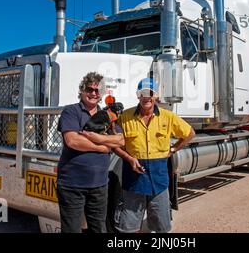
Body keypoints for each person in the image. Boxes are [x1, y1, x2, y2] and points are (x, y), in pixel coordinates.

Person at [114, 78, 195, 233]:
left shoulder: (168, 117)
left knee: (162, 227)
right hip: (133, 179)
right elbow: (115, 145)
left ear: (156, 96)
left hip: (159, 180)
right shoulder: (125, 116)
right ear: (138, 96)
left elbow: (190, 133)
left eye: (150, 93)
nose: (146, 97)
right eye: (142, 93)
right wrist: (129, 158)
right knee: (128, 228)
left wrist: (173, 149)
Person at [57, 72, 124, 233]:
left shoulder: (108, 115)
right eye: (89, 89)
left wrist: (96, 138)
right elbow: (73, 141)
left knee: (99, 229)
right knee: (71, 230)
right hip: (72, 185)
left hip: (99, 185)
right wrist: (103, 147)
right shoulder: (71, 111)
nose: (93, 93)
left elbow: (121, 140)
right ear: (82, 90)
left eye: (97, 90)